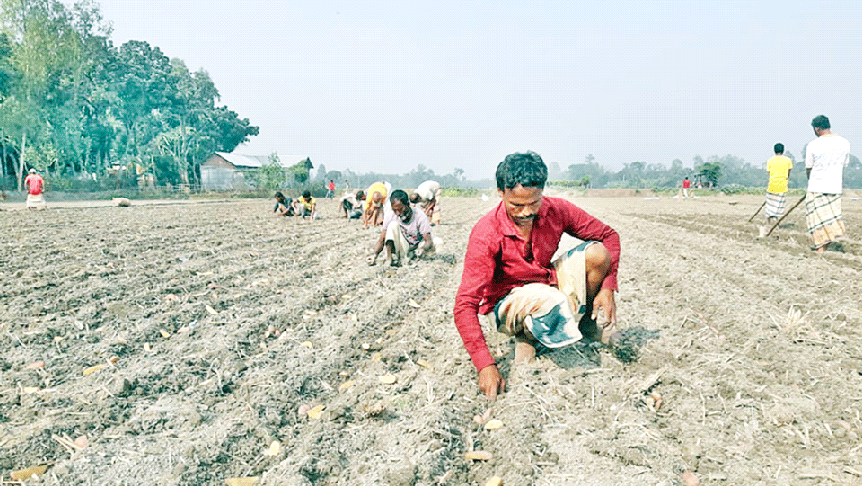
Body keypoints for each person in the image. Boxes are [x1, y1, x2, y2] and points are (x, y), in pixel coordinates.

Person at [453, 151, 621, 401]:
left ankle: (585, 325)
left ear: (542, 190)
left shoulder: (556, 210)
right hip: (507, 304)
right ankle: (526, 336)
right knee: (547, 299)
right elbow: (464, 304)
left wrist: (607, 287)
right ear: (501, 192)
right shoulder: (486, 234)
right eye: (517, 205)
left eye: (534, 203)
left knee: (597, 254)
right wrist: (485, 365)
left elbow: (609, 236)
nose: (526, 212)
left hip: (546, 283)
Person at [804, 115, 849, 252]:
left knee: (817, 220)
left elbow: (809, 167)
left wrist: (810, 180)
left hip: (817, 187)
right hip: (835, 186)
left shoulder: (813, 145)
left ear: (817, 129)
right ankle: (828, 244)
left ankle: (820, 247)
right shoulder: (844, 143)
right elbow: (844, 164)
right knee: (831, 218)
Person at [369, 189, 435, 267]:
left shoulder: (419, 215)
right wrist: (374, 255)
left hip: (416, 247)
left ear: (407, 204)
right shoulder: (390, 216)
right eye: (395, 210)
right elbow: (382, 239)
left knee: (438, 243)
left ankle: (413, 257)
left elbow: (428, 240)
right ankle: (390, 258)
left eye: (400, 209)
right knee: (392, 225)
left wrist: (422, 250)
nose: (398, 213)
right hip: (401, 246)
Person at [761, 143, 793, 233]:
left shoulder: (770, 160)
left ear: (774, 150)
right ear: (783, 150)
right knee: (779, 207)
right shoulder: (787, 160)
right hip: (782, 186)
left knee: (769, 206)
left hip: (772, 185)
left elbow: (769, 172)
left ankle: (768, 224)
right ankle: (777, 224)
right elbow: (788, 171)